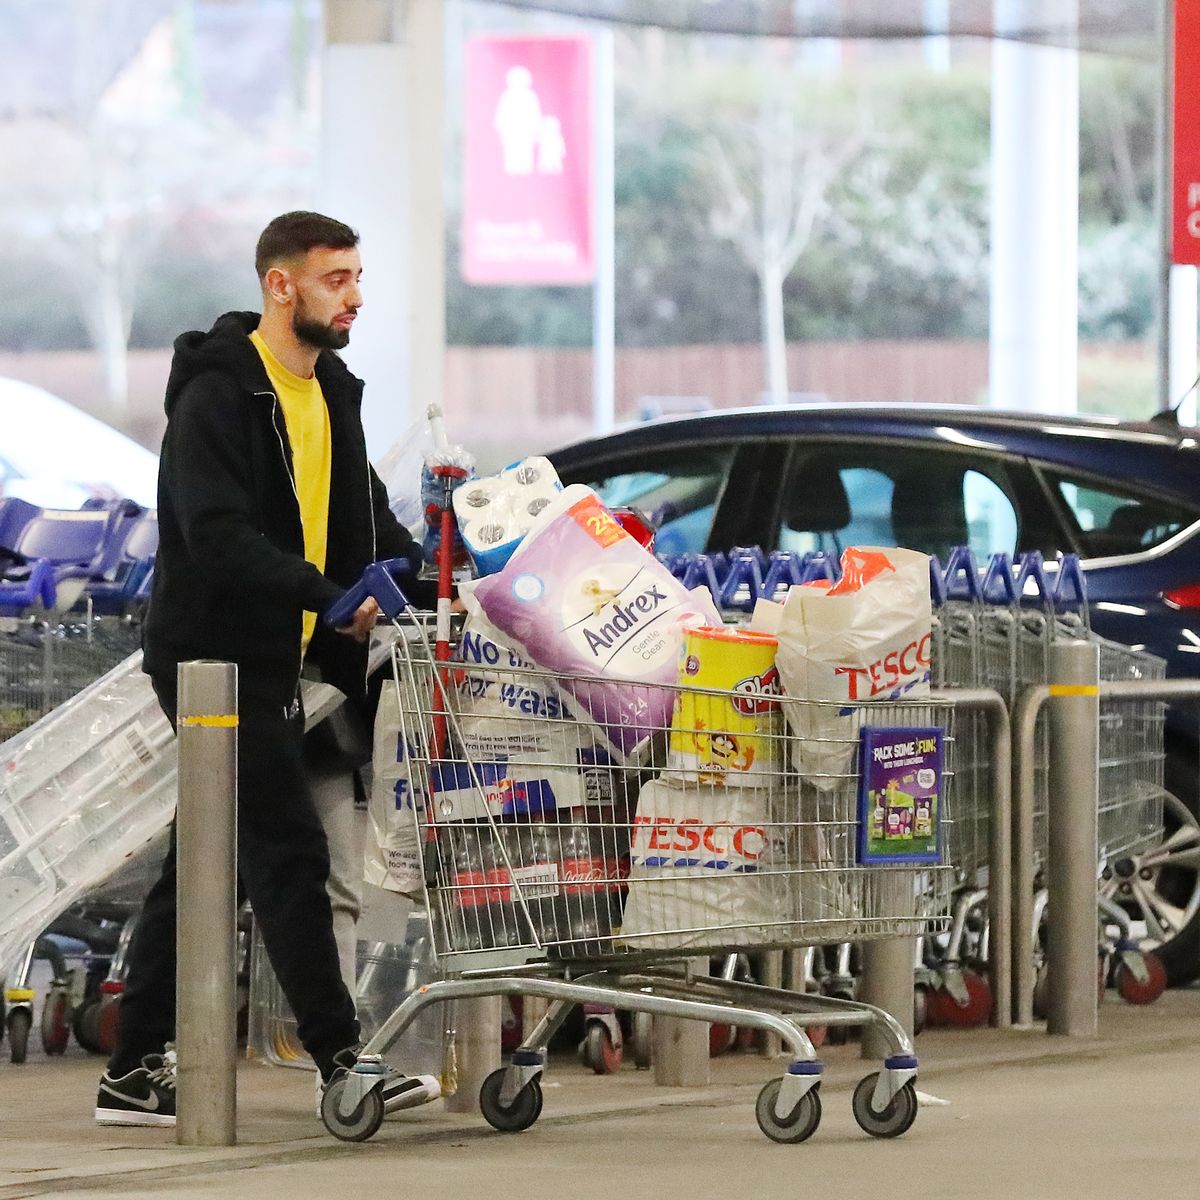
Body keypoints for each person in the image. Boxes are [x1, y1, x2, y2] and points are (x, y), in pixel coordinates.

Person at [95, 211, 441, 1127]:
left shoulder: (331, 390)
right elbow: (214, 539)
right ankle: (342, 1060)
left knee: (209, 860)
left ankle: (131, 1070)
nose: (357, 296)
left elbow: (367, 520)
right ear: (280, 286)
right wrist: (323, 595)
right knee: (286, 846)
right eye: (337, 279)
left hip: (278, 656)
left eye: (359, 276)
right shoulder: (219, 397)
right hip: (211, 658)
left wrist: (443, 570)